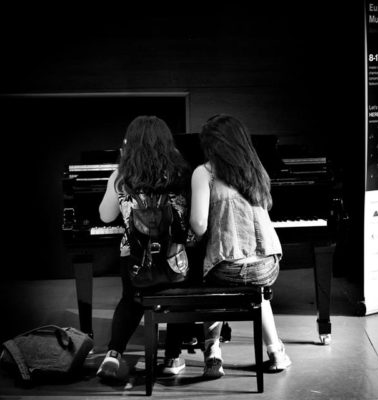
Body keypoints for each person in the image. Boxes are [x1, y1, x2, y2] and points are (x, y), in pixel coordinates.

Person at [189, 114, 292, 379]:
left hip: (229, 269)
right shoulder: (255, 170)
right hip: (267, 265)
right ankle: (276, 352)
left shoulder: (205, 172)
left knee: (208, 280)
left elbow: (199, 225)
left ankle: (213, 353)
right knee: (258, 292)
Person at [96, 115, 194, 380]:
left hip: (135, 258)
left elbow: (105, 216)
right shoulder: (182, 174)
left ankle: (113, 354)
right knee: (177, 301)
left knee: (130, 300)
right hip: (174, 257)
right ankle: (173, 358)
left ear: (129, 144)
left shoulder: (121, 176)